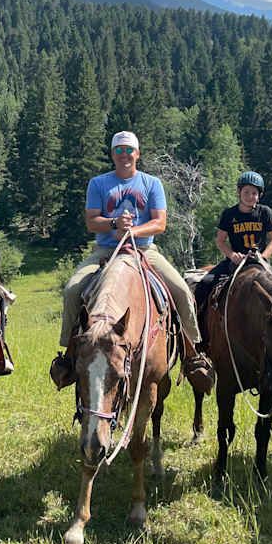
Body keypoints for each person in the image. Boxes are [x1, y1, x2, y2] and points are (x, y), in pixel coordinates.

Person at [50, 131, 213, 392]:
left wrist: (132, 232)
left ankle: (194, 354)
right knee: (72, 290)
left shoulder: (151, 183)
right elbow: (92, 221)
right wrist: (114, 224)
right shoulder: (98, 183)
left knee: (182, 291)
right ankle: (69, 356)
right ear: (112, 154)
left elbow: (160, 223)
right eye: (119, 151)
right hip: (105, 251)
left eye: (129, 151)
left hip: (144, 251)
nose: (124, 155)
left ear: (137, 154)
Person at [192, 170, 272, 314]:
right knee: (204, 285)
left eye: (254, 193)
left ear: (259, 196)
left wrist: (263, 257)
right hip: (234, 262)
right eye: (246, 192)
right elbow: (220, 241)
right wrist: (232, 255)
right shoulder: (229, 214)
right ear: (239, 192)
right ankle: (199, 325)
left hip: (259, 262)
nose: (250, 196)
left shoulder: (265, 212)